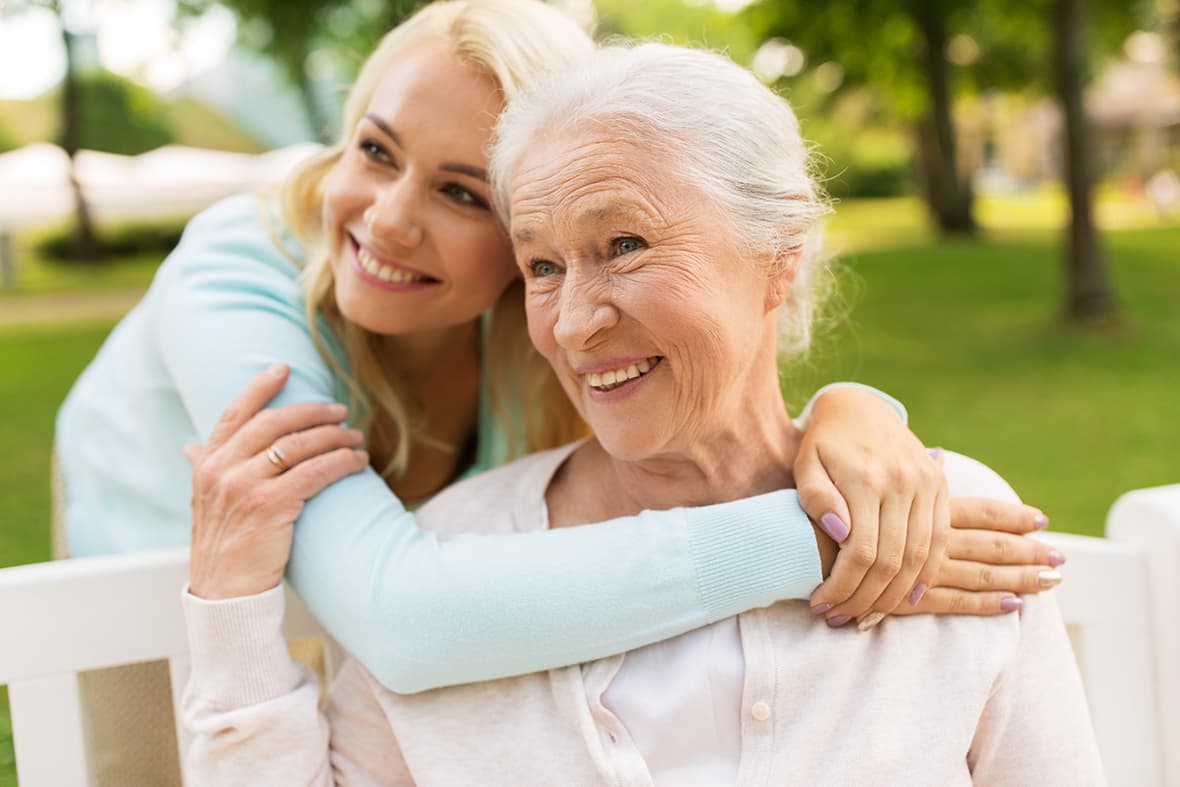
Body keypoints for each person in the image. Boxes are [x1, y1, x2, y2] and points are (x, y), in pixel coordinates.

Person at [180, 40, 1099, 786]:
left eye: (624, 244)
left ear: (779, 256)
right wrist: (230, 611)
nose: (574, 323)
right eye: (542, 266)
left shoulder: (943, 520)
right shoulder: (458, 555)